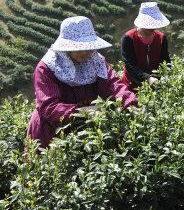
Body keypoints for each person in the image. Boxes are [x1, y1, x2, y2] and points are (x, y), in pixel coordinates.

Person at [26, 16, 138, 148]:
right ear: (66, 47)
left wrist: (130, 104)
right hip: (52, 131)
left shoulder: (97, 61)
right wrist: (84, 111)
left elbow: (113, 85)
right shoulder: (48, 68)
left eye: (88, 47)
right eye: (80, 47)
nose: (86, 52)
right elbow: (49, 106)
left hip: (87, 127)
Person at [121, 2, 171, 90]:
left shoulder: (161, 38)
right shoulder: (129, 38)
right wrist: (147, 78)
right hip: (131, 85)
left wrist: (160, 77)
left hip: (155, 85)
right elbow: (130, 66)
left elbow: (166, 62)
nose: (152, 28)